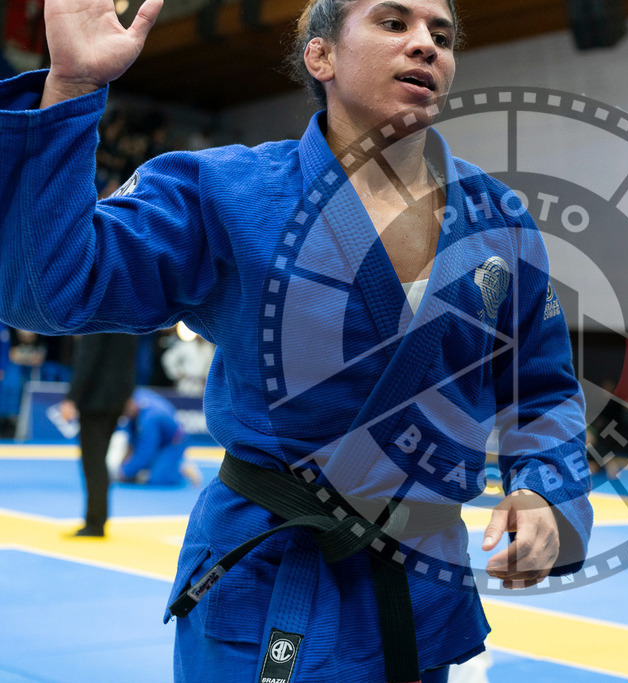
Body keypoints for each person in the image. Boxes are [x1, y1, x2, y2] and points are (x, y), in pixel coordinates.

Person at [0, 0, 592, 680]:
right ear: (322, 56)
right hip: (267, 581)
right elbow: (45, 290)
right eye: (394, 24)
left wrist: (546, 492)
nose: (426, 45)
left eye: (442, 34)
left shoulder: (499, 220)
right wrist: (71, 88)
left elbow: (542, 391)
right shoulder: (225, 193)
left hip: (420, 593)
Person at [59, 333, 139, 537]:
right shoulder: (126, 322)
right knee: (98, 460)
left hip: (95, 401)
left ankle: (95, 522)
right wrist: (127, 395)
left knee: (93, 462)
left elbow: (87, 359)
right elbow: (131, 360)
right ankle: (96, 520)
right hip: (116, 399)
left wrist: (71, 398)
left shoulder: (95, 322)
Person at [118, 387, 198, 487]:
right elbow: (131, 443)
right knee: (136, 469)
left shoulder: (150, 418)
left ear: (130, 403)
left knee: (158, 479)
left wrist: (124, 472)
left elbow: (145, 452)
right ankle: (159, 465)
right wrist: (124, 466)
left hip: (174, 443)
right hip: (158, 438)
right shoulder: (134, 397)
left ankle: (182, 470)